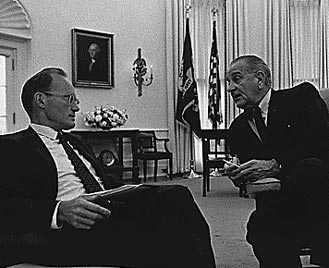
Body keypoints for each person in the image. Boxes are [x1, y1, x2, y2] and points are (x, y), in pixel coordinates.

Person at [0, 67, 216, 268]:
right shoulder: (11, 146)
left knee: (176, 196)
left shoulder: (77, 141)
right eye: (69, 99)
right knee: (163, 237)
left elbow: (104, 183)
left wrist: (133, 191)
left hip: (110, 206)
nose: (76, 107)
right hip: (72, 228)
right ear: (41, 100)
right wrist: (59, 210)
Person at [224, 55, 329, 268]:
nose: (229, 88)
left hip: (319, 192)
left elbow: (320, 144)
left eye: (236, 79)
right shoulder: (237, 129)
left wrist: (277, 165)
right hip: (280, 201)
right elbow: (255, 180)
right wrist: (241, 176)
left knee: (310, 169)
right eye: (227, 82)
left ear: (260, 79)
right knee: (259, 226)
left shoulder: (301, 97)